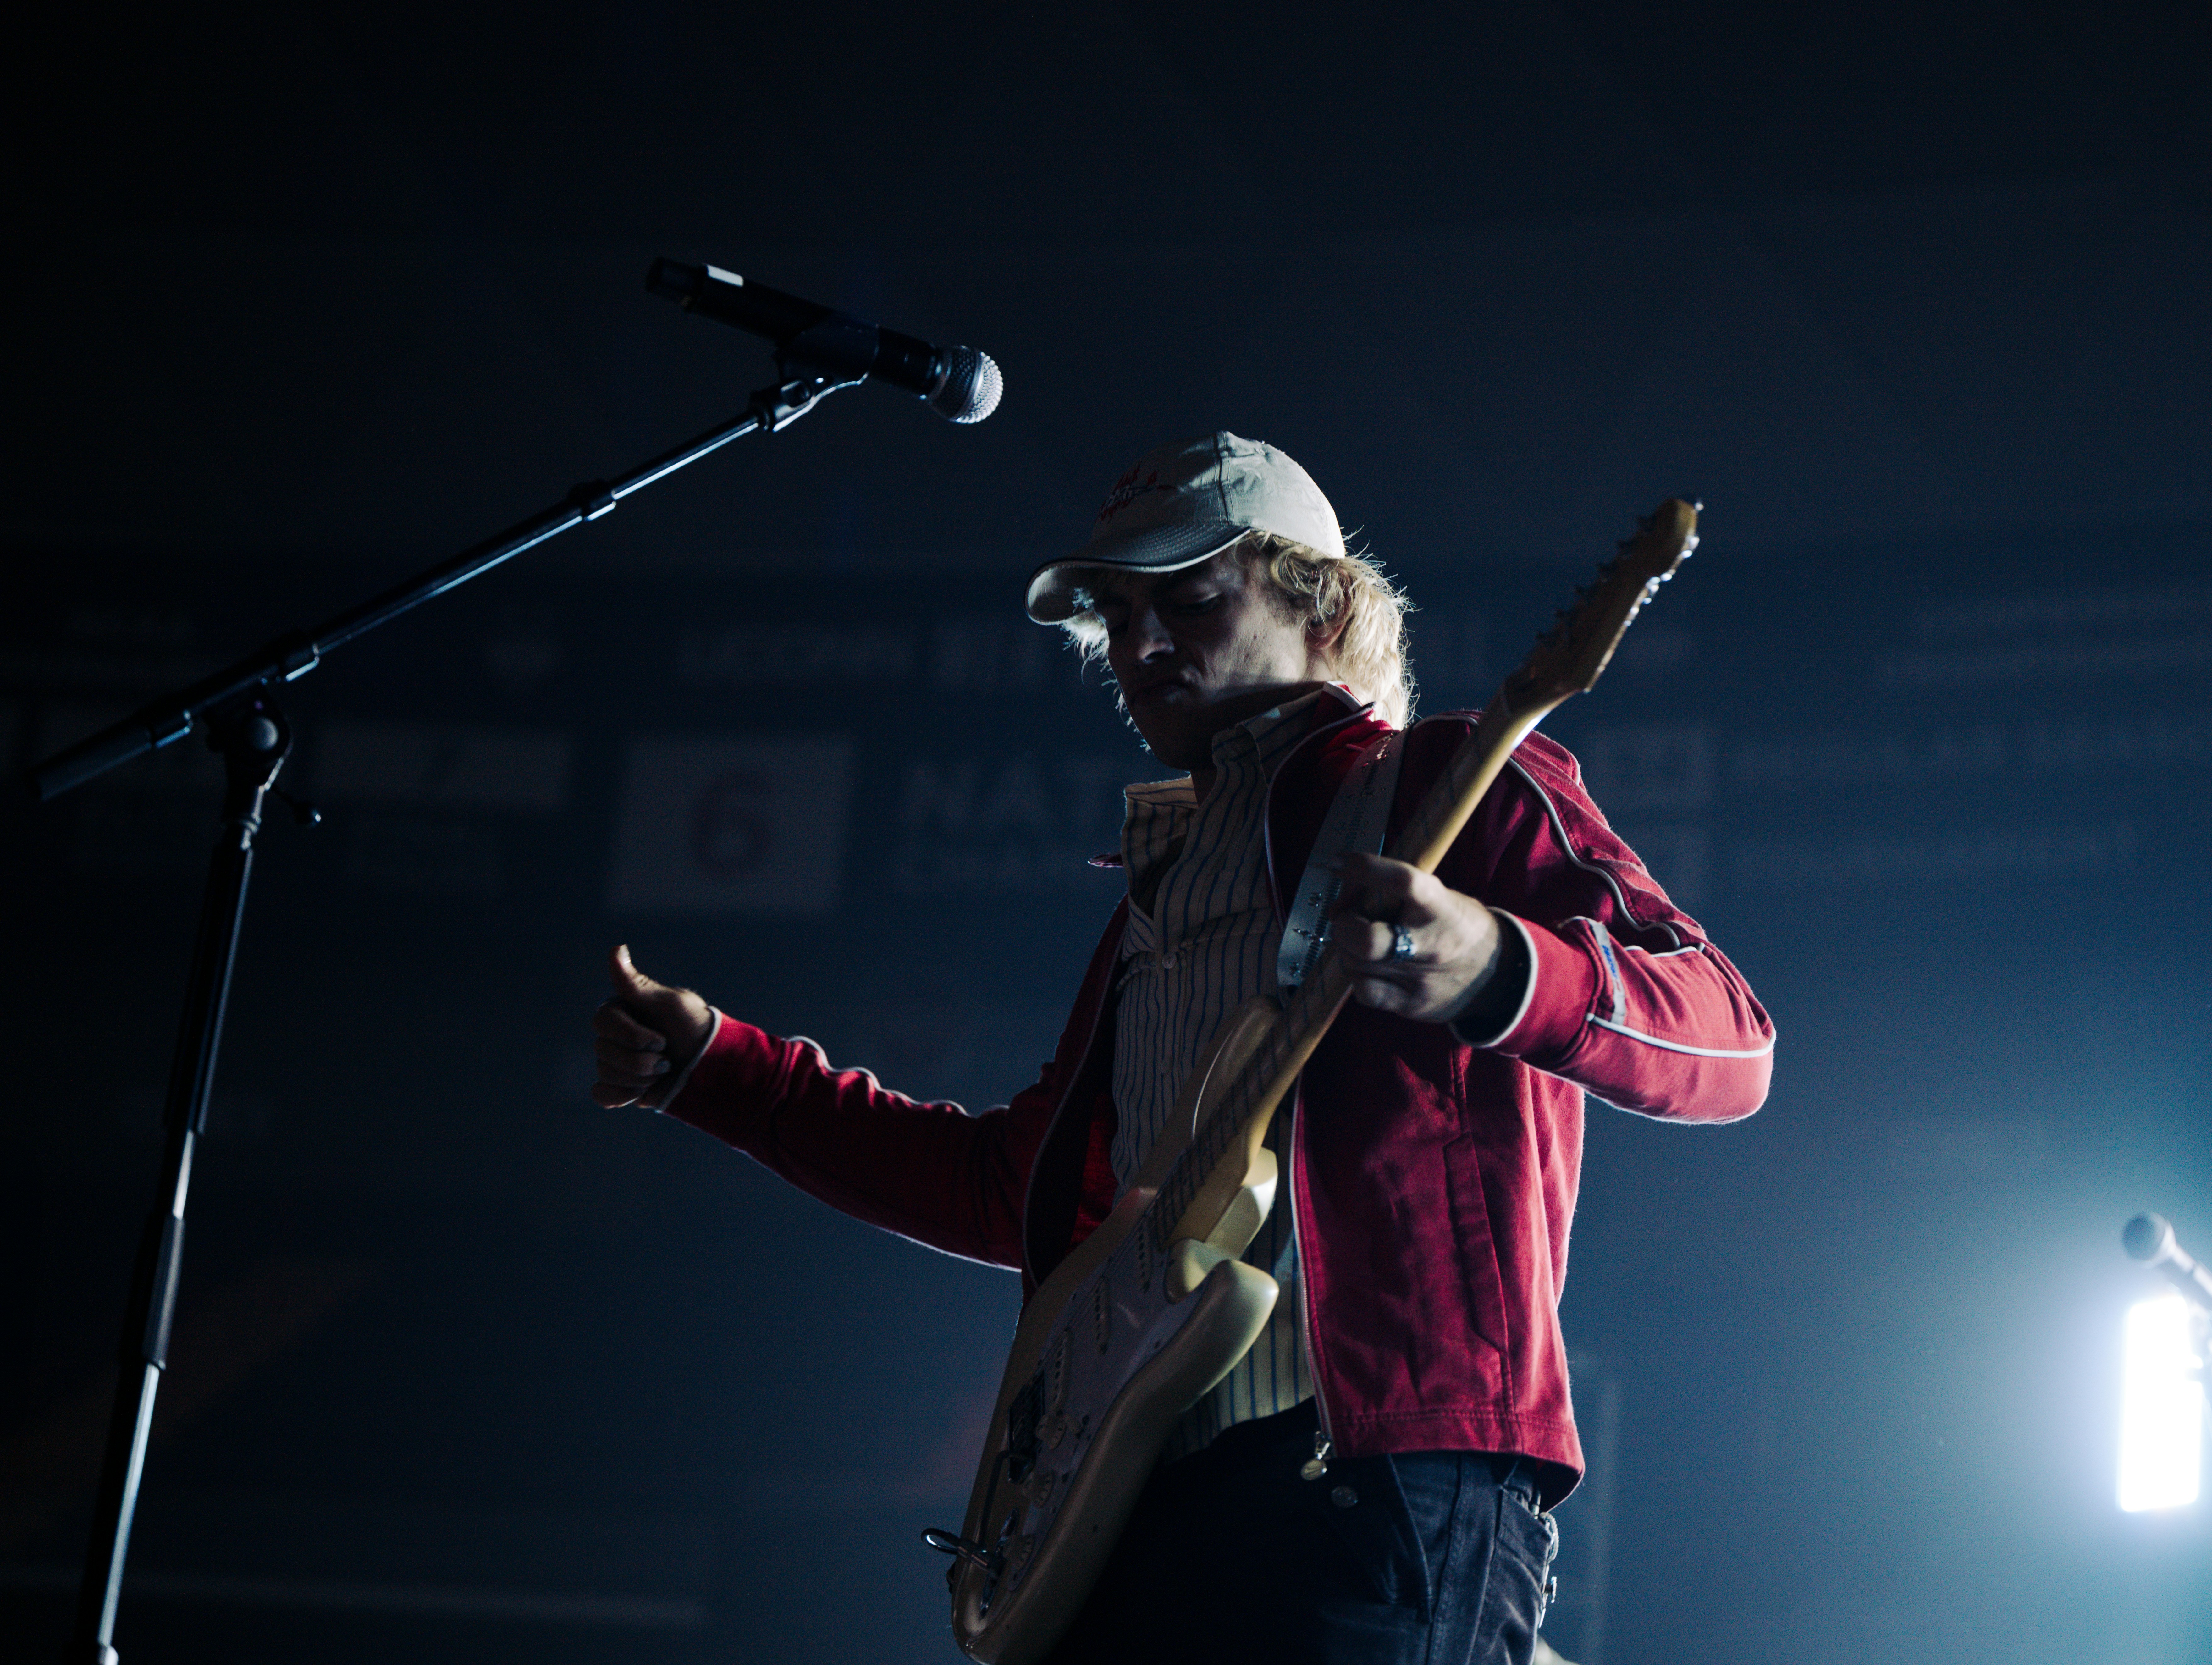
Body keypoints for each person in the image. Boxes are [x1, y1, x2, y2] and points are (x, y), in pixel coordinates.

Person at [591, 433, 1775, 1665]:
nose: (1139, 646)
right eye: (1115, 614)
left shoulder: (1454, 783)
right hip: (1125, 1509)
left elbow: (1729, 1041)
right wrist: (716, 1071)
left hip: (1369, 1492)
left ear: (1324, 610)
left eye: (1192, 600)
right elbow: (1023, 1193)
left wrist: (1496, 966)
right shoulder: (1153, 898)